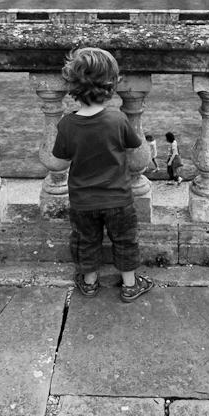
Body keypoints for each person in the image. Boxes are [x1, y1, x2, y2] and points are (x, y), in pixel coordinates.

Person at [52, 47, 154, 303]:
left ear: (73, 84)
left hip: (83, 200)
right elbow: (134, 144)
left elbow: (61, 154)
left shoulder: (66, 124)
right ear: (110, 85)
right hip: (118, 199)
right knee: (125, 241)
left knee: (86, 241)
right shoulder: (118, 120)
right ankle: (130, 285)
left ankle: (89, 282)